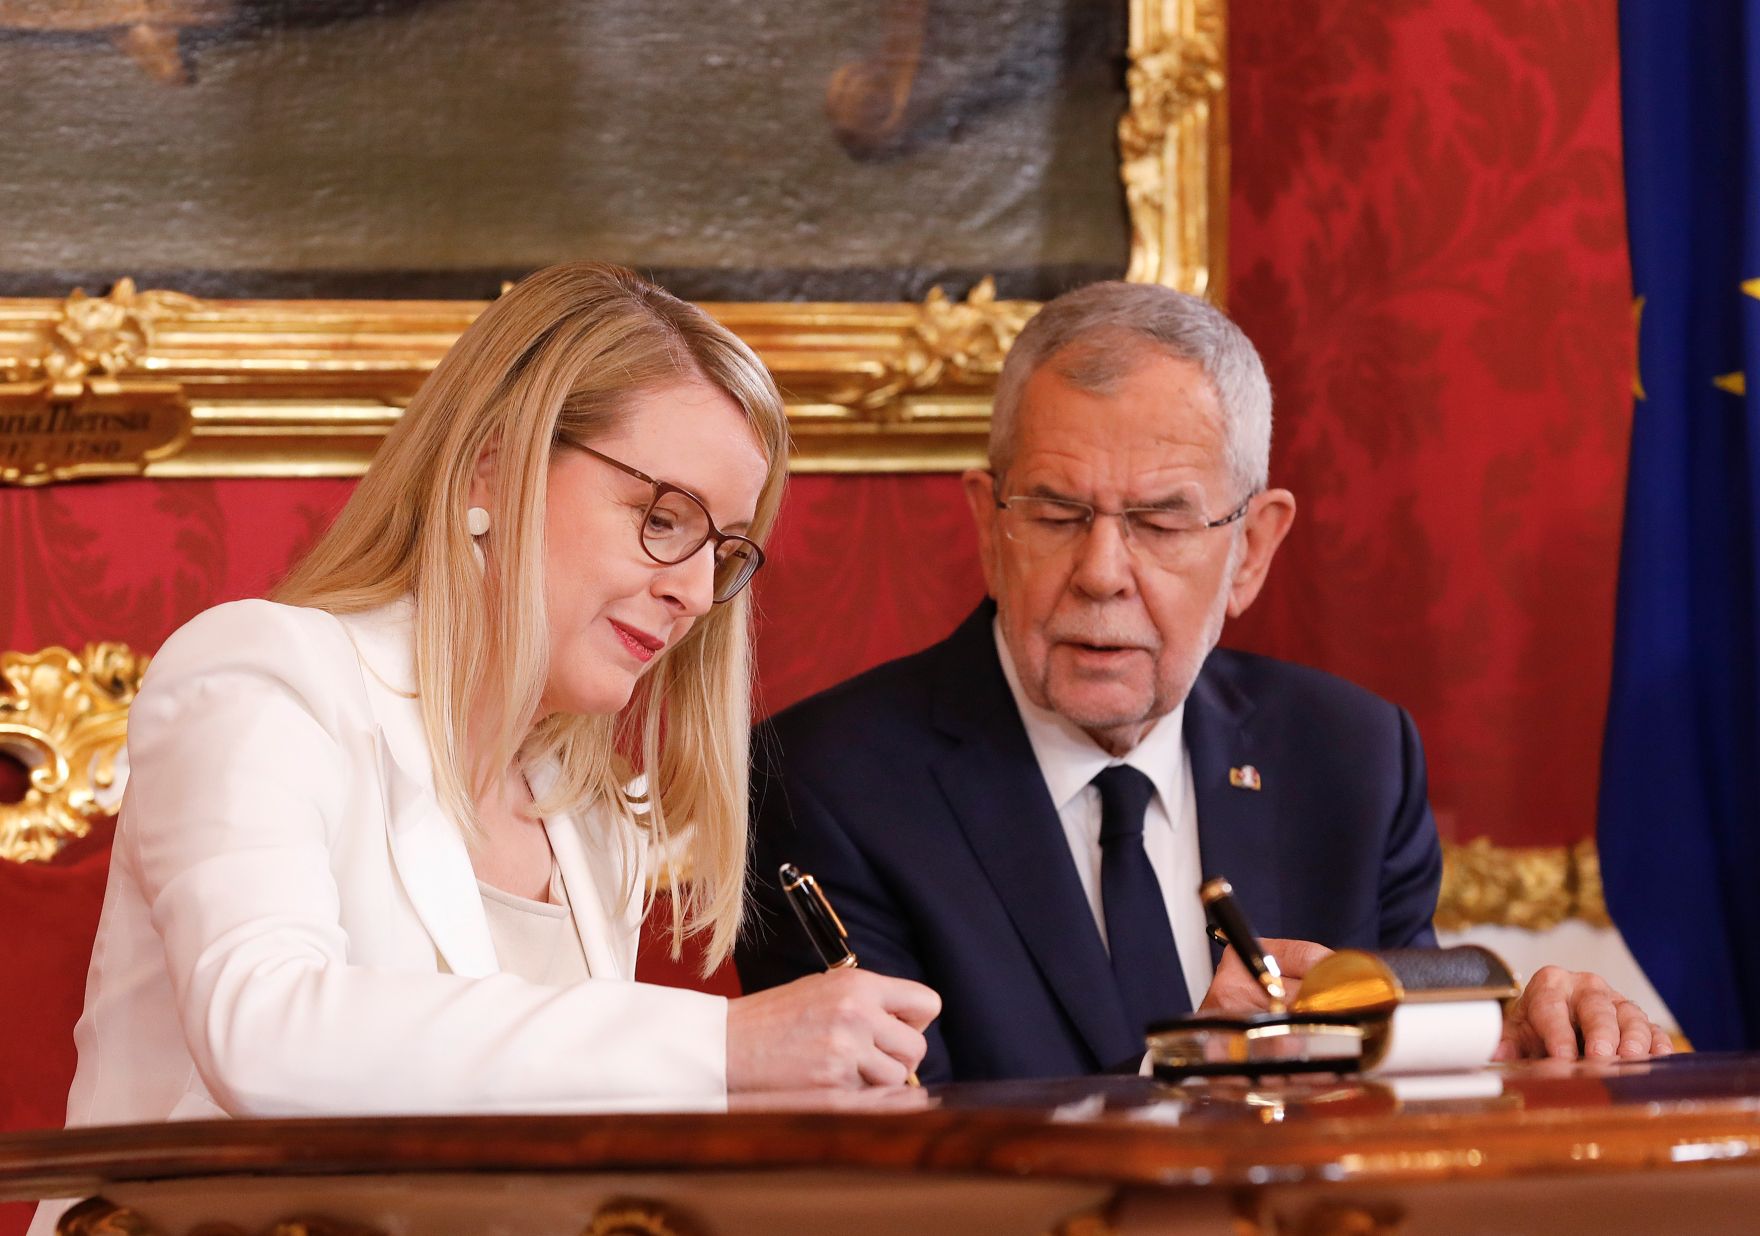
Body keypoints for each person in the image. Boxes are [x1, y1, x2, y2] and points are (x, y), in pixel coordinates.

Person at [42, 263, 941, 1163]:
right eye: (663, 517)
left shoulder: (591, 815)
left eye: (722, 549)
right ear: (493, 471)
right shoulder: (267, 677)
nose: (697, 595)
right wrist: (726, 1050)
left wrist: (762, 1107)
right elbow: (264, 1033)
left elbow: (552, 1131)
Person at [735, 280, 1670, 1083]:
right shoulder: (826, 786)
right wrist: (1185, 1082)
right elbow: (893, 1160)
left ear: (1253, 549)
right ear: (990, 526)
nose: (1103, 571)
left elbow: (1398, 1083)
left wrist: (1520, 1036)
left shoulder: (1351, 759)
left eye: (1161, 522)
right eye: (1058, 514)